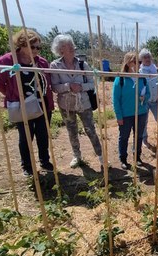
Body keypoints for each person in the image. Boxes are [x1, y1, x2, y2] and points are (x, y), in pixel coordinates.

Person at [0, 29, 54, 176]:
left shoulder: (41, 62)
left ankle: (44, 161)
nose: (36, 50)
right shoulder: (7, 61)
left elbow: (47, 82)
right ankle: (27, 166)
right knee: (26, 136)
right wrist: (11, 94)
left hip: (42, 104)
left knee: (43, 134)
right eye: (33, 47)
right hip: (22, 105)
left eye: (38, 47)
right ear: (21, 44)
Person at [49, 34, 104, 168]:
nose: (72, 48)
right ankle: (77, 156)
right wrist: (68, 87)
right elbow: (54, 87)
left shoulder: (82, 64)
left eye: (72, 45)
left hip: (84, 103)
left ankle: (101, 156)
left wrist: (81, 87)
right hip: (66, 105)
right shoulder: (55, 65)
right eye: (68, 46)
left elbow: (92, 83)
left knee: (90, 130)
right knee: (71, 131)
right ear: (61, 50)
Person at [112, 52, 149, 169]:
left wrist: (145, 97)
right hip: (126, 115)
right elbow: (115, 99)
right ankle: (123, 159)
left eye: (140, 62)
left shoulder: (142, 77)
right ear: (128, 63)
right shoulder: (120, 79)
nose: (139, 64)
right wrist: (119, 116)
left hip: (141, 113)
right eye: (136, 62)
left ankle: (137, 157)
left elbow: (148, 93)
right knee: (124, 137)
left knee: (138, 136)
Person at [139, 48, 158, 148]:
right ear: (141, 59)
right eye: (145, 57)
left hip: (156, 100)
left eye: (148, 57)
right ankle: (144, 138)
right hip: (145, 101)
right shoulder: (139, 72)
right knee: (144, 121)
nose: (147, 59)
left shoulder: (157, 70)